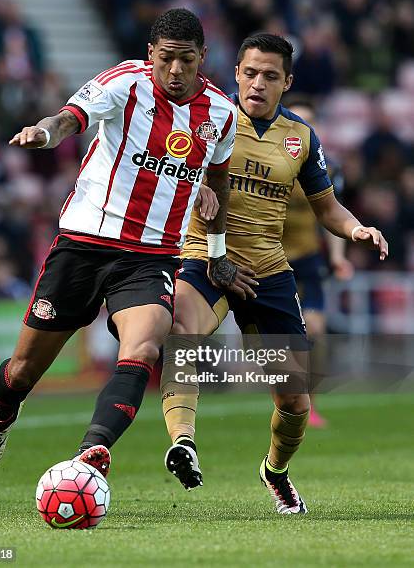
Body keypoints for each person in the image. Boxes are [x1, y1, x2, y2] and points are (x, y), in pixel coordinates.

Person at [0, 8, 253, 479]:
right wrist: (45, 133)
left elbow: (219, 183)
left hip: (153, 255)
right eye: (167, 59)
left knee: (143, 350)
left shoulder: (222, 115)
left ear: (202, 57)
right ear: (151, 54)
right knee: (22, 370)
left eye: (187, 60)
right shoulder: (125, 83)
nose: (177, 71)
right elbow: (69, 117)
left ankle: (91, 455)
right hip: (84, 243)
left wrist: (219, 252)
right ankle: (2, 415)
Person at [160, 33, 388, 513]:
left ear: (287, 82)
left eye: (269, 76)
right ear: (236, 73)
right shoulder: (208, 117)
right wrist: (191, 187)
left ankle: (275, 472)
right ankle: (184, 442)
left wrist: (357, 229)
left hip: (267, 269)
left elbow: (328, 209)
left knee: (295, 404)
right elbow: (165, 171)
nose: (257, 83)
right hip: (204, 255)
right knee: (184, 336)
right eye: (249, 73)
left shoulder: (301, 137)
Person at [281, 98, 354, 428]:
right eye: (297, 119)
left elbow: (332, 215)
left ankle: (312, 403)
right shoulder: (268, 159)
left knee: (315, 332)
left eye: (308, 121)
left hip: (308, 259)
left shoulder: (325, 167)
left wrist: (338, 258)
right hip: (268, 260)